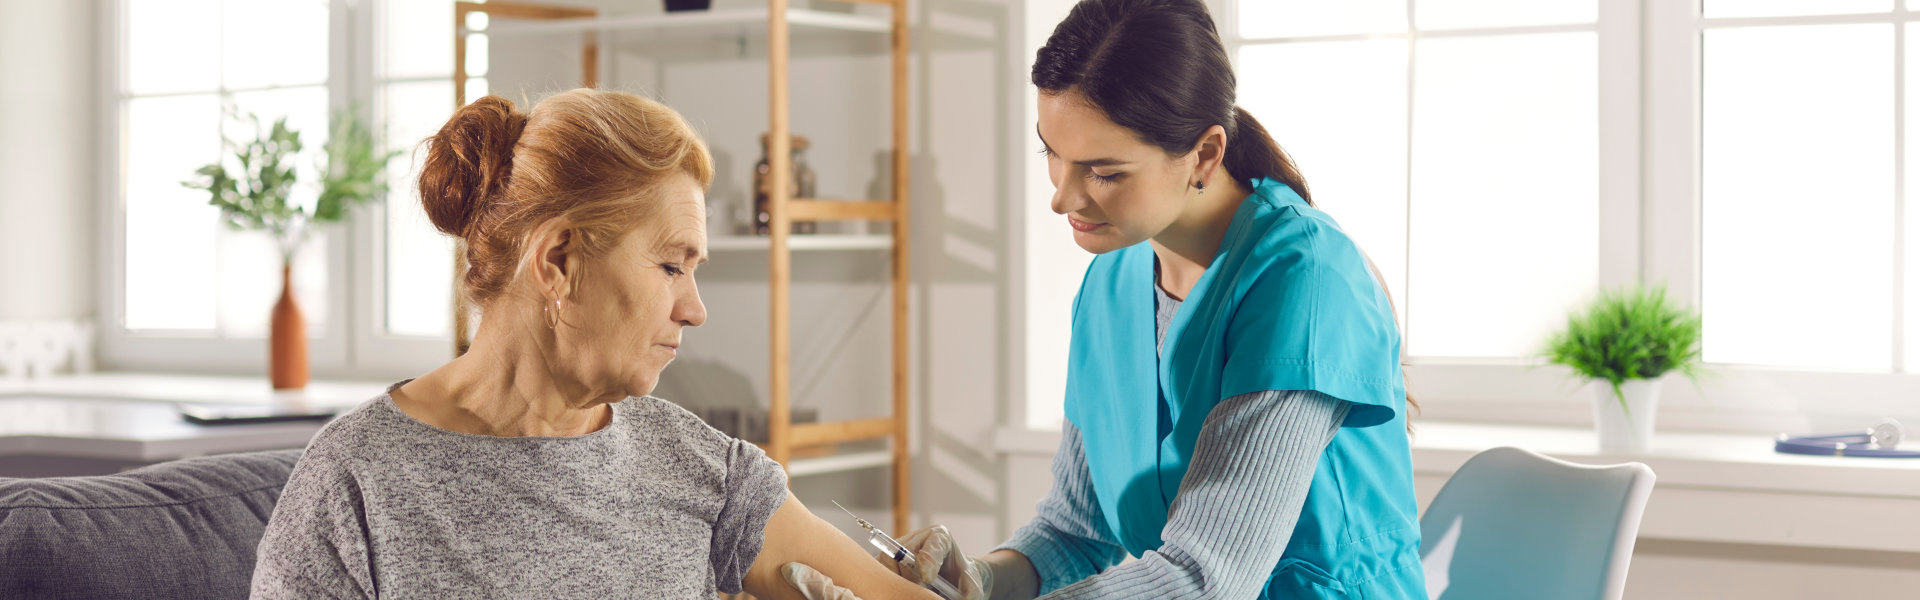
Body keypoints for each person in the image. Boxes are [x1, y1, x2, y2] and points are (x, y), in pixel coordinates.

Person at [783, 0, 1425, 598]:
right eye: (1052, 154)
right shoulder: (1114, 279)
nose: (1062, 197)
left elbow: (1204, 579)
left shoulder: (1304, 282)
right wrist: (975, 579)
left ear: (1203, 153)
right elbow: (1074, 531)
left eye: (1105, 172)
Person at [250, 89, 939, 600]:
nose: (694, 309)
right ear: (557, 262)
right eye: (672, 265)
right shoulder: (356, 484)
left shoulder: (701, 469)